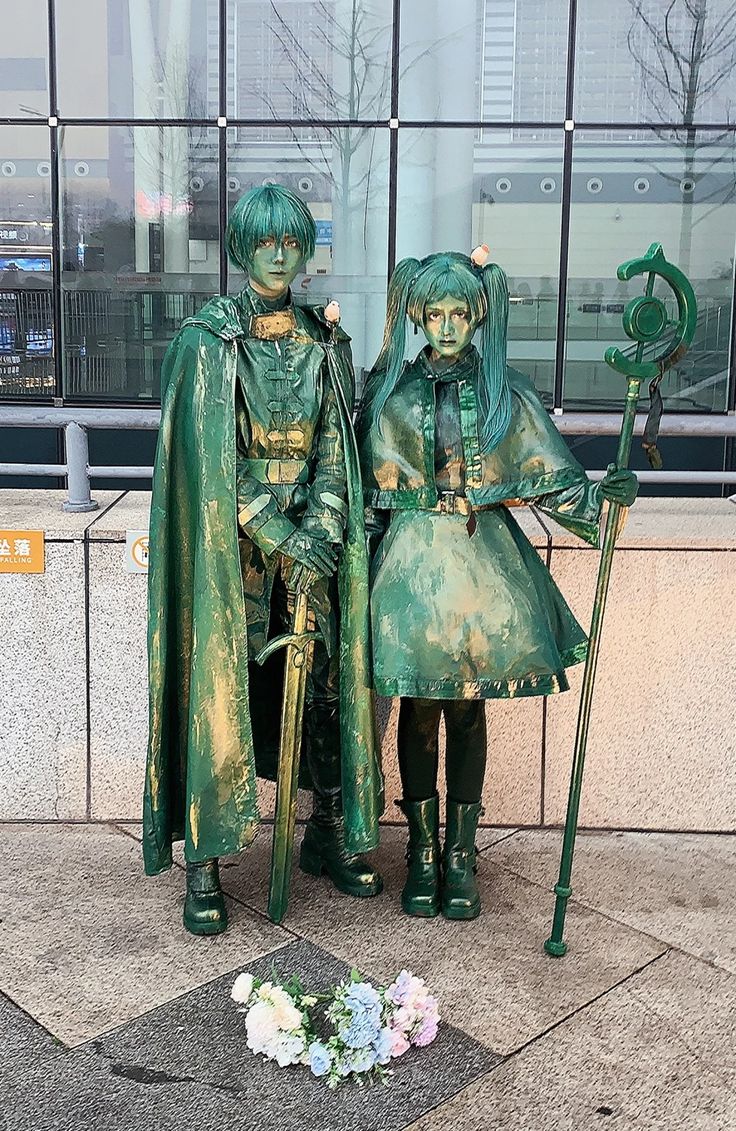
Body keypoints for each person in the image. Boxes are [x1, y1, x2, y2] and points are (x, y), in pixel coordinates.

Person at [357, 250, 637, 921]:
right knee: (421, 704)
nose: (447, 325)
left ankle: (462, 853)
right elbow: (361, 487)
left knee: (469, 705)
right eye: (436, 313)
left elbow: (554, 477)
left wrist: (603, 502)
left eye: (460, 313)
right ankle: (423, 852)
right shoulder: (389, 391)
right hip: (411, 568)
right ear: (418, 316)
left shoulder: (505, 392)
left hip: (484, 565)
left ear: (477, 315)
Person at [144, 184, 383, 935]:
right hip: (233, 551)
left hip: (315, 541)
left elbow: (337, 449)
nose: (278, 253)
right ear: (243, 247)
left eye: (291, 240)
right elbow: (209, 457)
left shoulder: (325, 341)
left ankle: (326, 832)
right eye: (264, 240)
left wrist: (322, 526)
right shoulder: (207, 340)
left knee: (324, 688)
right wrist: (278, 532)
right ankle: (207, 860)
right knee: (222, 689)